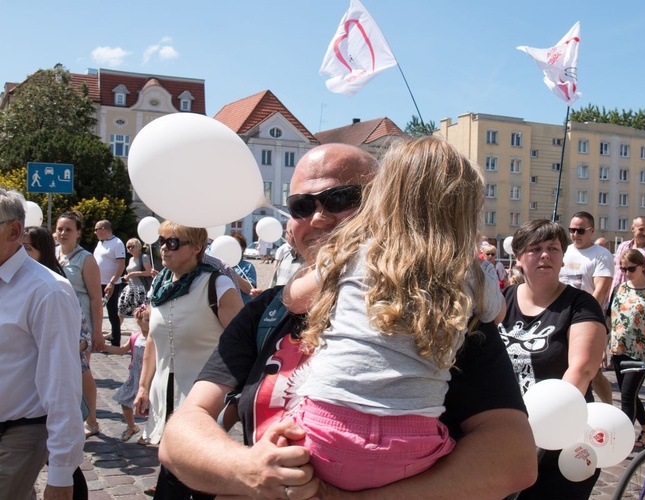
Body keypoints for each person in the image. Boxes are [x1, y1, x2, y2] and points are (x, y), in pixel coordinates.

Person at [158, 143, 537, 499]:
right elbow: (181, 433)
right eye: (301, 206)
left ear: (386, 203)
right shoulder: (268, 312)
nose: (319, 217)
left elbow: (513, 459)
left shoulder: (443, 306)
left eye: (340, 199)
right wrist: (249, 471)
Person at [279, 137, 505, 490]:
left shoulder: (355, 251)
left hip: (323, 435)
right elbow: (497, 313)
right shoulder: (475, 276)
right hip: (414, 446)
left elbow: (294, 300)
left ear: (381, 198)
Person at [133, 221, 243, 497]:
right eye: (162, 241)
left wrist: (234, 402)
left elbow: (242, 344)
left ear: (196, 247)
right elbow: (152, 342)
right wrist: (144, 386)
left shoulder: (217, 284)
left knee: (194, 478)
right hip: (165, 392)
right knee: (173, 469)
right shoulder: (159, 284)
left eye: (173, 242)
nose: (164, 248)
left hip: (204, 399)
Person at [499, 219, 607, 499]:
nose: (545, 254)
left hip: (563, 439)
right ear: (520, 258)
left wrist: (544, 424)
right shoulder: (501, 301)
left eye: (553, 248)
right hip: (507, 434)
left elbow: (581, 370)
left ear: (562, 258)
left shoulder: (581, 305)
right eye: (535, 248)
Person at [0, 188, 84, 498]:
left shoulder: (48, 291)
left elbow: (61, 384)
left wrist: (61, 474)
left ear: (14, 230)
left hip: (17, 433)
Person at [22, 225, 90, 498]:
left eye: (27, 248)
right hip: (27, 393)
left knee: (62, 460)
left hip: (49, 388)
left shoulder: (53, 286)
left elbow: (89, 307)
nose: (21, 253)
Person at [608, 249, 645, 447]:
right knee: (630, 394)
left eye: (631, 268)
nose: (627, 273)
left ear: (643, 266)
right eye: (623, 269)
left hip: (641, 352)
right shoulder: (619, 288)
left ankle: (621, 440)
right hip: (618, 349)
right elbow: (610, 317)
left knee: (627, 394)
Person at [57, 211, 105, 439]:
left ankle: (91, 420)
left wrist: (97, 331)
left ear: (78, 233)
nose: (63, 233)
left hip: (80, 325)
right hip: (59, 322)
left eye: (68, 229)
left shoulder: (85, 259)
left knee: (81, 372)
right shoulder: (53, 254)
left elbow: (96, 297)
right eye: (59, 229)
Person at [559, 211, 615, 405]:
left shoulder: (601, 255)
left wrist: (583, 317)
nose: (575, 234)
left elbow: (601, 290)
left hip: (587, 317)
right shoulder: (563, 251)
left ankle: (609, 407)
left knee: (593, 371)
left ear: (591, 231)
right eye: (572, 230)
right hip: (561, 315)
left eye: (580, 230)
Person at [103, 304, 150, 442]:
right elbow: (121, 351)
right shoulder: (134, 337)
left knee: (150, 408)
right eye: (148, 320)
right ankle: (131, 426)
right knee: (125, 402)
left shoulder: (157, 338)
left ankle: (149, 433)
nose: (151, 323)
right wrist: (104, 346)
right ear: (138, 320)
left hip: (149, 377)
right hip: (135, 376)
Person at [94, 220, 127, 347]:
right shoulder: (100, 243)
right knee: (96, 311)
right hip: (97, 282)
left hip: (110, 284)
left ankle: (115, 341)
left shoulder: (117, 243)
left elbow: (121, 264)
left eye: (96, 229)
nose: (95, 232)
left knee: (112, 312)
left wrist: (112, 282)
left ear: (103, 229)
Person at [118, 238, 152, 318]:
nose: (130, 249)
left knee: (140, 314)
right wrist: (127, 276)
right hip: (130, 288)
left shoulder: (144, 257)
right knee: (121, 310)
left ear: (138, 246)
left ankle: (143, 330)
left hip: (140, 289)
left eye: (132, 246)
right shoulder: (130, 259)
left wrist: (134, 274)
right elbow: (130, 273)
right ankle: (116, 330)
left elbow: (149, 272)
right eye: (128, 247)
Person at [230, 232, 259, 304]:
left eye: (235, 245)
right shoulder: (218, 265)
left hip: (241, 307)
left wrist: (232, 272)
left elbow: (250, 290)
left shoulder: (248, 266)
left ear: (242, 249)